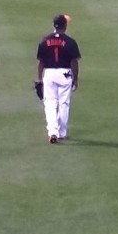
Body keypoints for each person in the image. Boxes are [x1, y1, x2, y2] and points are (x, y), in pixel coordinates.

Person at [35, 14, 81, 144]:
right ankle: (62, 132)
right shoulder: (70, 42)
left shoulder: (44, 40)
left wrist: (39, 78)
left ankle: (52, 132)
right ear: (65, 26)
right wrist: (75, 79)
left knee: (50, 104)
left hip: (48, 74)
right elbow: (74, 62)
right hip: (65, 73)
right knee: (64, 103)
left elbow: (41, 62)